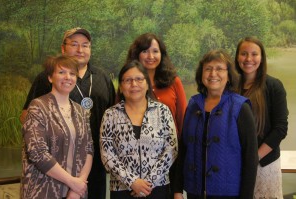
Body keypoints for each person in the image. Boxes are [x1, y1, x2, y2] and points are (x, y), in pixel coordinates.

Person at [20, 27, 116, 199]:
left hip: (90, 169)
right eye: (74, 44)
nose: (80, 50)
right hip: (50, 173)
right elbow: (27, 121)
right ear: (63, 48)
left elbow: (111, 120)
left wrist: (78, 183)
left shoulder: (103, 78)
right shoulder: (44, 79)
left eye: (85, 45)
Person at [174, 50, 258, 199]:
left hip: (229, 193)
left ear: (229, 75)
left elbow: (250, 158)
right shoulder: (193, 106)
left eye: (219, 68)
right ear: (202, 74)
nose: (213, 74)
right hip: (194, 192)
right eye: (208, 69)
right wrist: (178, 190)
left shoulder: (240, 107)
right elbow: (183, 149)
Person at [100, 60, 178, 199]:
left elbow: (171, 149)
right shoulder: (110, 115)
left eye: (139, 79)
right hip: (121, 189)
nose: (134, 84)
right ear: (121, 86)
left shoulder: (162, 111)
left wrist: (149, 182)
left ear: (147, 84)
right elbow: (107, 154)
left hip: (157, 188)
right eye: (128, 80)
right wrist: (132, 182)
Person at [21, 55, 94, 199]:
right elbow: (37, 153)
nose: (68, 77)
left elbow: (89, 149)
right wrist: (72, 182)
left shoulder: (80, 111)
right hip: (42, 190)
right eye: (61, 72)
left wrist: (77, 187)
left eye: (72, 73)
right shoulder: (37, 107)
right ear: (50, 77)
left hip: (76, 193)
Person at [125, 33, 187, 196]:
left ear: (162, 54)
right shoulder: (129, 82)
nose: (150, 56)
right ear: (136, 54)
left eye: (155, 51)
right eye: (145, 51)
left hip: (169, 159)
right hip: (133, 164)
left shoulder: (174, 82)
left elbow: (182, 121)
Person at [235, 37, 288, 199]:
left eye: (254, 54)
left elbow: (280, 129)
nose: (249, 59)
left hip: (264, 165)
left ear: (262, 57)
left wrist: (254, 158)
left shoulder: (274, 86)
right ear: (237, 57)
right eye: (244, 54)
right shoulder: (229, 87)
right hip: (235, 165)